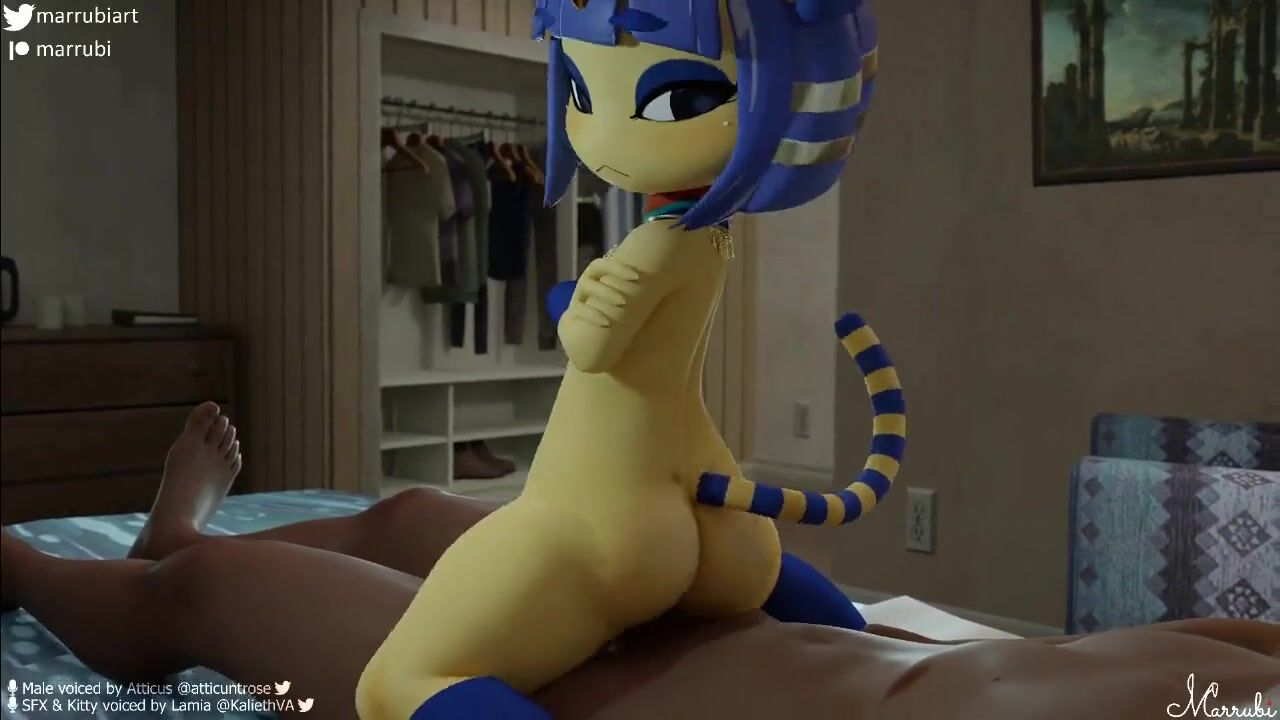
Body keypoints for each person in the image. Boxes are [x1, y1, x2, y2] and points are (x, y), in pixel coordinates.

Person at [3, 404, 1278, 720]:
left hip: (573, 697)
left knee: (208, 593)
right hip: (718, 628)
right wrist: (756, 573)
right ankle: (173, 538)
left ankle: (83, 563)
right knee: (413, 512)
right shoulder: (1239, 671)